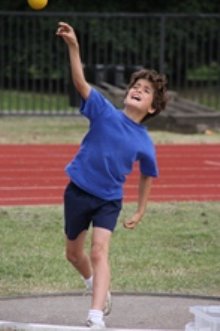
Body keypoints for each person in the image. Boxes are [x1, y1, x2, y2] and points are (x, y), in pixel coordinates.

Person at [56, 22, 168, 329]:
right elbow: (81, 83)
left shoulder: (145, 142)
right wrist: (74, 47)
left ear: (153, 108)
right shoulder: (103, 111)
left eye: (146, 91)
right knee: (73, 254)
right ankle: (95, 285)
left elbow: (147, 175)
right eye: (136, 86)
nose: (137, 90)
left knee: (99, 249)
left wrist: (141, 209)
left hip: (108, 200)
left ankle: (95, 316)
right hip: (78, 190)